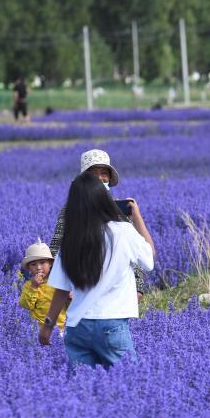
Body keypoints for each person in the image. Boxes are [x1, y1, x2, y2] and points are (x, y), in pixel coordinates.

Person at [39, 173, 155, 369]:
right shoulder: (123, 231)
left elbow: (61, 289)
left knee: (82, 385)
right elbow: (149, 259)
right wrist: (136, 217)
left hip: (77, 327)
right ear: (104, 199)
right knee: (128, 380)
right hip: (112, 324)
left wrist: (47, 327)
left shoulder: (71, 238)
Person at [49, 149, 147, 298]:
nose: (100, 178)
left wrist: (138, 287)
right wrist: (62, 286)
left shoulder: (118, 209)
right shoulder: (71, 209)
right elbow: (58, 246)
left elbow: (133, 248)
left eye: (104, 173)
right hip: (82, 285)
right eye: (94, 173)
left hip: (115, 287)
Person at [19, 241, 63, 329]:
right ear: (28, 268)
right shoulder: (29, 285)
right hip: (38, 328)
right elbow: (25, 305)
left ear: (50, 263)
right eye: (33, 264)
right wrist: (34, 287)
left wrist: (71, 297)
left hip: (59, 328)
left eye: (42, 263)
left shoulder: (59, 282)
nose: (38, 267)